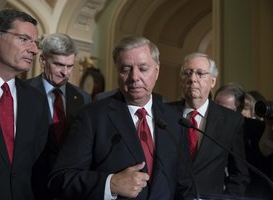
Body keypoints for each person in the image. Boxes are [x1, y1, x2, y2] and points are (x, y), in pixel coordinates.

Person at [48, 36, 193, 200]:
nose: (134, 77)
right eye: (126, 69)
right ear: (118, 72)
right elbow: (60, 179)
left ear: (157, 71)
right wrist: (111, 184)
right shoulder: (92, 116)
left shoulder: (174, 119)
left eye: (143, 69)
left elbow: (185, 184)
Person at [0, 9, 49, 200]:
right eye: (24, 39)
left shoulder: (36, 100)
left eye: (35, 43)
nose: (33, 49)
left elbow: (38, 165)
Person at [170, 53, 250, 198]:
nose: (192, 79)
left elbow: (239, 175)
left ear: (213, 81)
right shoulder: (163, 114)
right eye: (187, 73)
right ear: (181, 80)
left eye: (200, 73)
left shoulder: (231, 121)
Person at [27, 33, 91, 200]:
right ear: (42, 61)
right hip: (31, 187)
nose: (65, 73)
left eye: (70, 66)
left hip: (68, 190)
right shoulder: (23, 92)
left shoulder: (83, 98)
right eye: (59, 65)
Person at [214, 84, 273, 199]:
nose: (218, 115)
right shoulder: (210, 127)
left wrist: (269, 128)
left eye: (225, 110)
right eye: (215, 108)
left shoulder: (254, 129)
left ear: (240, 109)